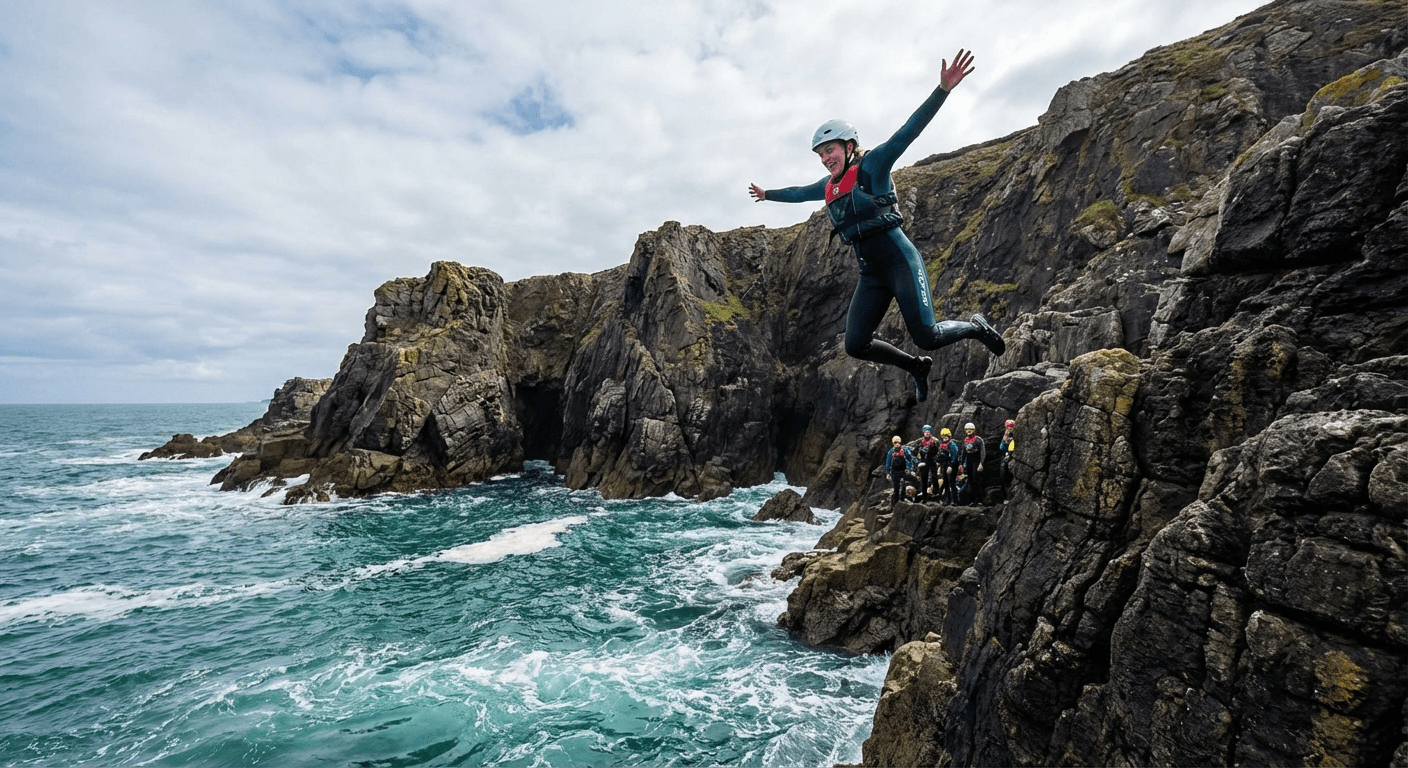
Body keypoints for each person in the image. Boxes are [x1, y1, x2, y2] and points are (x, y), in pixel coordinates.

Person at [748, 49, 1005, 403]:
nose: (825, 159)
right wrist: (768, 194)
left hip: (899, 259)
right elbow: (798, 192)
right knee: (855, 344)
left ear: (849, 146)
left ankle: (974, 328)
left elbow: (907, 133)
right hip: (871, 273)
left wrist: (942, 90)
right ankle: (916, 366)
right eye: (820, 154)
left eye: (830, 150)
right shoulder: (829, 188)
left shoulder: (873, 168)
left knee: (928, 335)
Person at [884, 435, 916, 505]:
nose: (897, 444)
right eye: (895, 443)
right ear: (893, 443)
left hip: (903, 471)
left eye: (898, 442)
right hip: (894, 472)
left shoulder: (904, 450)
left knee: (903, 485)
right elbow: (888, 462)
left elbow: (909, 459)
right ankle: (895, 504)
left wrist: (911, 470)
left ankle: (902, 501)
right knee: (896, 488)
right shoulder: (891, 452)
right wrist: (888, 473)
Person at [915, 425, 942, 502]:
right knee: (924, 479)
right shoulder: (919, 442)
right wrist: (918, 461)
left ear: (930, 432)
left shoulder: (935, 441)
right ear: (923, 432)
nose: (927, 433)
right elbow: (915, 452)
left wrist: (937, 461)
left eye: (928, 432)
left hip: (932, 461)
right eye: (925, 432)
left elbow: (939, 452)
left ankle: (936, 494)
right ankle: (924, 496)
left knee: (934, 477)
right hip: (923, 462)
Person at [961, 422, 985, 503]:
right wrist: (961, 464)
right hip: (969, 461)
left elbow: (982, 452)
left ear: (974, 430)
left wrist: (981, 463)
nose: (969, 431)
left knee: (976, 479)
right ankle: (973, 499)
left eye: (971, 430)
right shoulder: (965, 441)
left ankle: (979, 499)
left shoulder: (978, 440)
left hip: (976, 460)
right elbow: (963, 453)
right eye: (967, 430)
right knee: (970, 480)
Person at [936, 427, 960, 504]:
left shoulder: (952, 444)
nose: (945, 437)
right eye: (943, 436)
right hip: (945, 465)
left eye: (946, 436)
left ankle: (954, 500)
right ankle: (947, 500)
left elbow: (954, 455)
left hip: (951, 465)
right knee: (945, 482)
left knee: (951, 482)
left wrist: (951, 465)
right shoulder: (942, 445)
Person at [998, 418, 1016, 493]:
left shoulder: (1015, 434)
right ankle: (1004, 490)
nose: (1009, 428)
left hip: (1013, 455)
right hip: (1006, 454)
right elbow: (1001, 447)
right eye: (1008, 426)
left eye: (1011, 426)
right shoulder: (1006, 435)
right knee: (1003, 471)